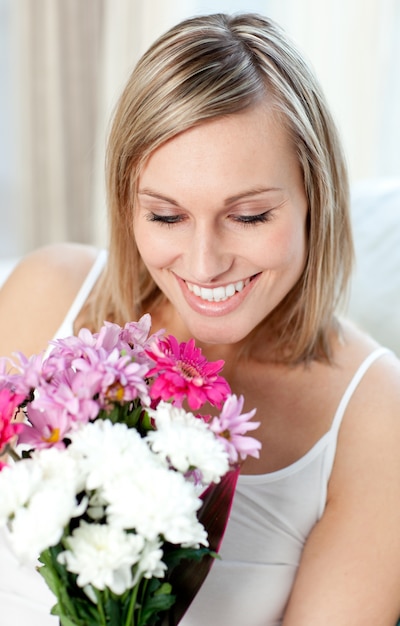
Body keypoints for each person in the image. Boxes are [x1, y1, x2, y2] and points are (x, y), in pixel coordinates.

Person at [1, 12, 400, 626]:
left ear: (313, 201)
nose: (205, 263)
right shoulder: (43, 294)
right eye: (166, 217)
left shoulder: (376, 418)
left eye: (248, 217)